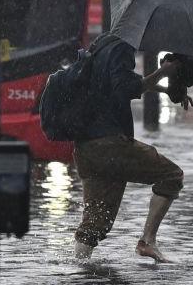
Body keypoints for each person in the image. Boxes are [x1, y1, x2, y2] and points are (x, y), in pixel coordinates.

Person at [73, 33, 186, 263]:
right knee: (171, 176)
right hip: (110, 145)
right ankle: (148, 241)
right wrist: (163, 72)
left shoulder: (101, 45)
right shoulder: (122, 49)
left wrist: (165, 90)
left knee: (95, 224)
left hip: (86, 147)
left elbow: (117, 85)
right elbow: (125, 87)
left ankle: (79, 270)